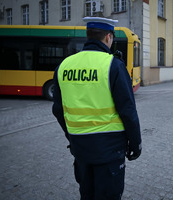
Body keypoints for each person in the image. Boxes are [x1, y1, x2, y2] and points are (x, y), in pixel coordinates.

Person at [52, 17, 142, 200]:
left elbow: (57, 109)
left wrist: (72, 135)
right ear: (108, 37)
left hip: (80, 149)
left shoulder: (64, 66)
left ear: (88, 36)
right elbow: (128, 111)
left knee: (87, 194)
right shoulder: (113, 65)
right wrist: (135, 144)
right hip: (109, 150)